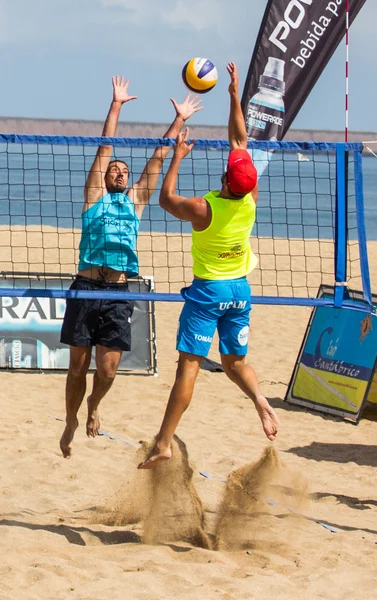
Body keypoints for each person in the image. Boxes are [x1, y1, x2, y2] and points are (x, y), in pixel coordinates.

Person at [138, 62, 279, 469]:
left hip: (209, 292)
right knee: (235, 363)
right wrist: (234, 94)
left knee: (189, 367)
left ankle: (164, 441)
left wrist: (178, 157)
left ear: (225, 176)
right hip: (240, 291)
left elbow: (165, 201)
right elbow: (240, 137)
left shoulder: (205, 209)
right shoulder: (249, 201)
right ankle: (259, 399)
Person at [59, 76, 202, 458]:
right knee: (77, 367)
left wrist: (178, 120)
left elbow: (156, 157)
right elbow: (105, 147)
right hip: (86, 287)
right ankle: (71, 418)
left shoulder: (135, 201)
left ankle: (94, 404)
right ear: (104, 179)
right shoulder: (94, 198)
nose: (119, 173)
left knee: (106, 371)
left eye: (124, 171)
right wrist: (117, 104)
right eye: (114, 171)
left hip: (119, 290)